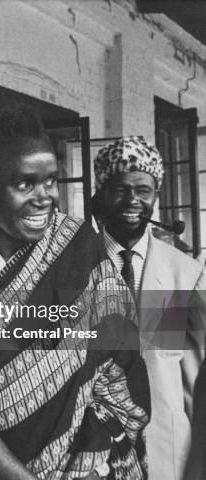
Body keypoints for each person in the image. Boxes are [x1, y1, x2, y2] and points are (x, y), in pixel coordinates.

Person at [0, 108, 150, 479]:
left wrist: (93, 457)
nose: (45, 198)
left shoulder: (79, 247)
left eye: (51, 181)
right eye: (25, 184)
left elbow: (120, 361)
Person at [93, 136, 206, 480]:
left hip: (167, 452)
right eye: (120, 189)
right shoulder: (73, 266)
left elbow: (198, 376)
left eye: (143, 190)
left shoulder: (185, 273)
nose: (132, 200)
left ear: (156, 195)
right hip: (93, 451)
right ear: (101, 191)